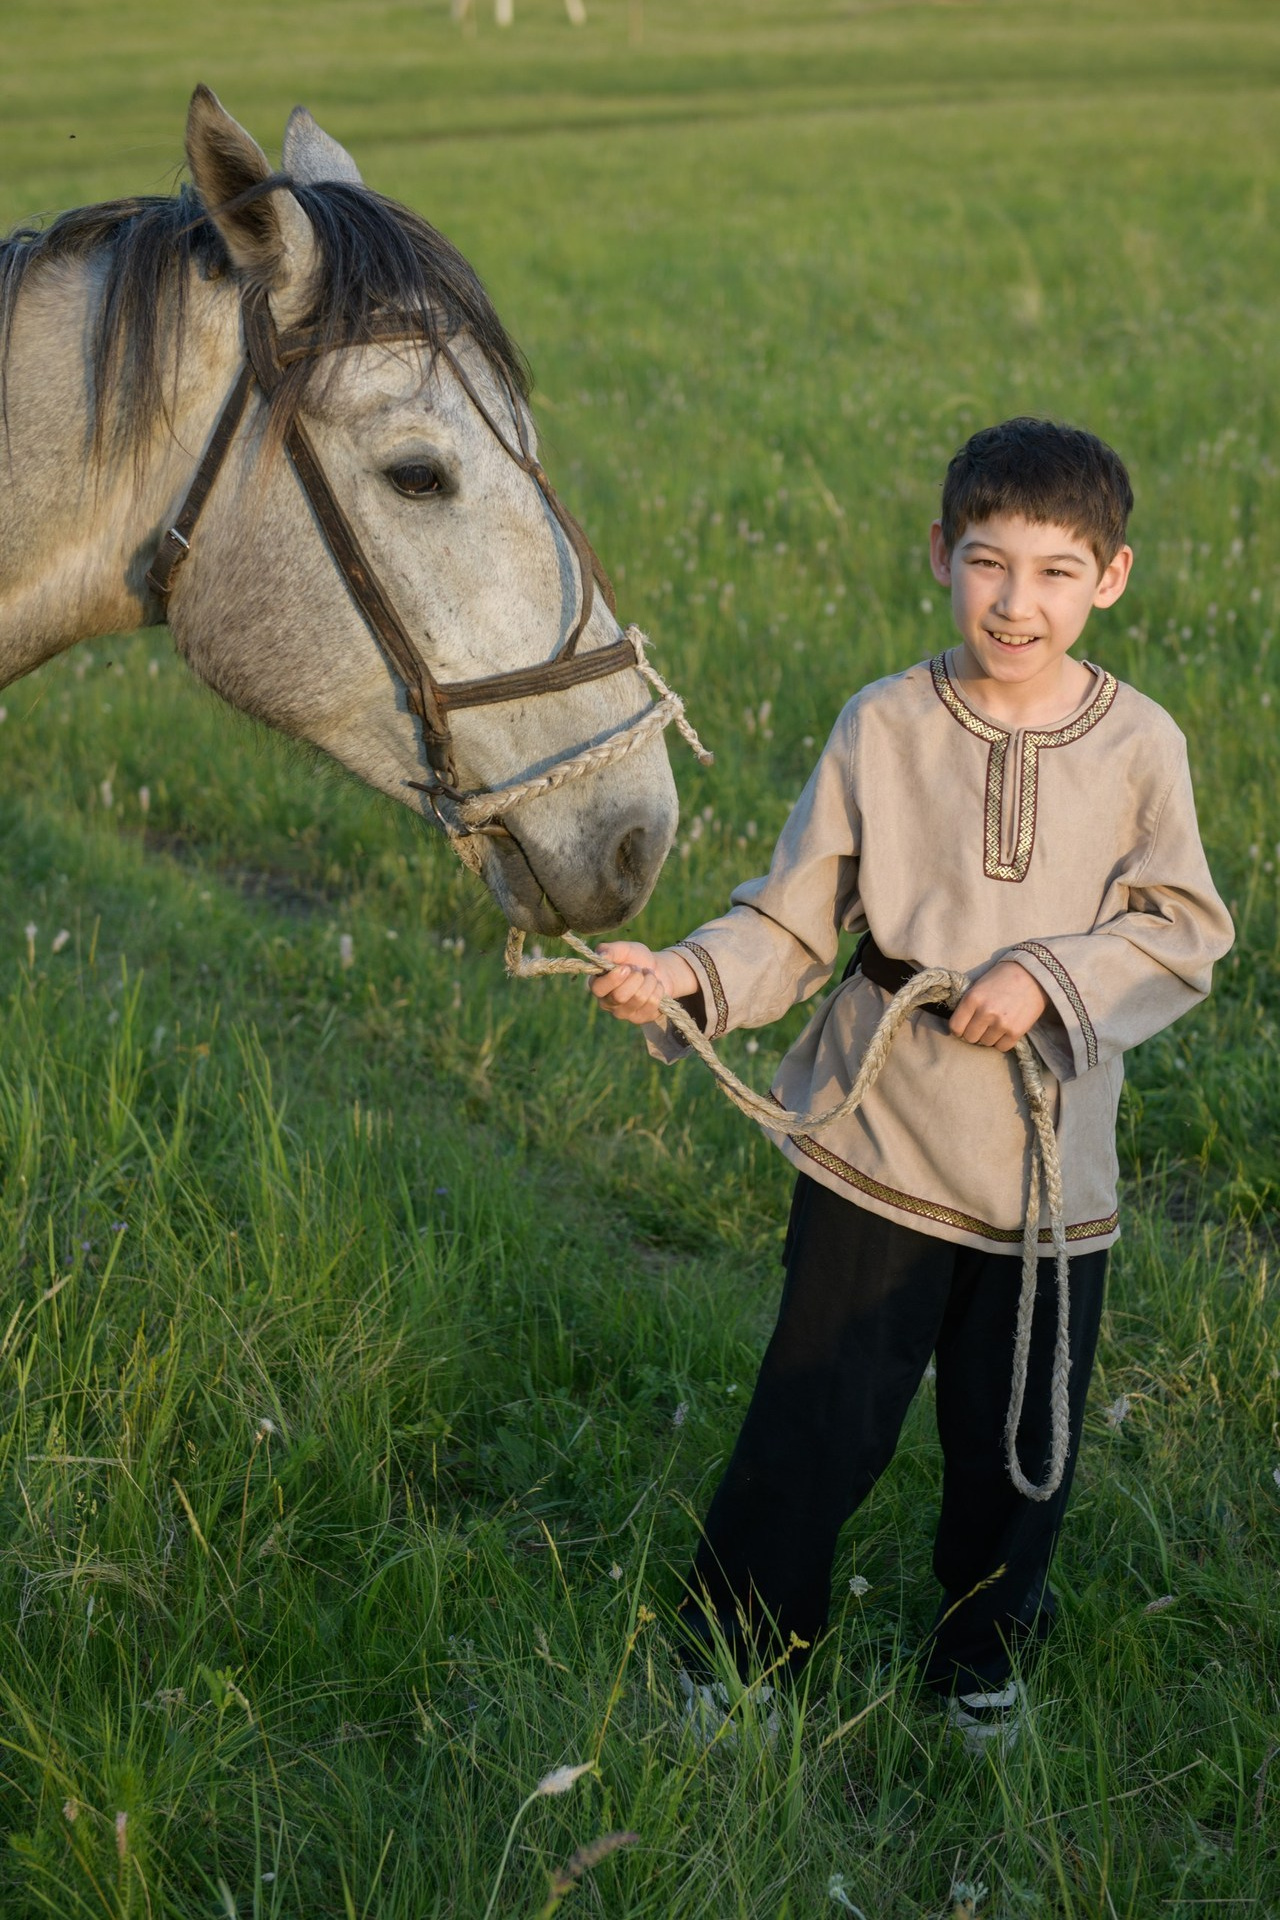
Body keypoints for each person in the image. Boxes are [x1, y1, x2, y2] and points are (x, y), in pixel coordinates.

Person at [588, 418, 1234, 1752]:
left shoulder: (1142, 746)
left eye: (1059, 572)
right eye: (990, 563)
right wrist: (688, 977)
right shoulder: (881, 723)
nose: (1018, 601)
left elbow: (1182, 928)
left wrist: (1053, 978)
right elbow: (790, 921)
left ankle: (979, 1661)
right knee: (818, 1414)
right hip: (879, 1140)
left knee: (1015, 1445)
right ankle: (740, 1662)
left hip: (1053, 1170)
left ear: (1113, 578)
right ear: (940, 555)